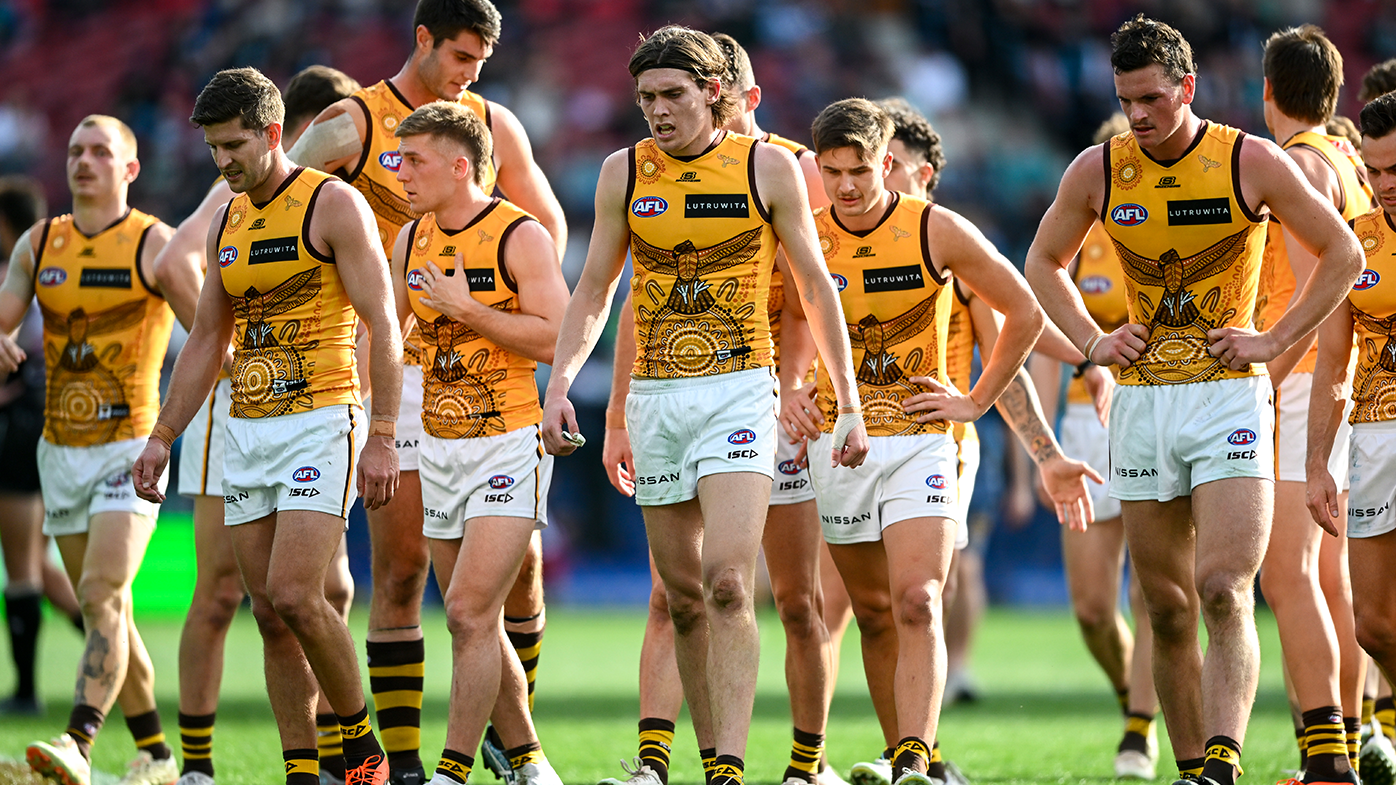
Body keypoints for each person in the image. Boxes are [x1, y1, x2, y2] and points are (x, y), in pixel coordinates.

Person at [1025, 14, 1363, 785]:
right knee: (1167, 603)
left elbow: (1343, 252)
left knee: (1222, 586)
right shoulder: (1099, 169)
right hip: (1142, 406)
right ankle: (1189, 768)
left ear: (1187, 87)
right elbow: (1042, 261)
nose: (1137, 115)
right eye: (1124, 99)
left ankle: (1222, 761)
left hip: (1228, 401)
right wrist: (1090, 341)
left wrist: (1275, 339)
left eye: (1150, 98)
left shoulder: (1250, 160)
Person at [542, 25, 870, 785]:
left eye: (673, 95)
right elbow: (597, 291)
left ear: (714, 93)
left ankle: (726, 767)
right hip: (659, 398)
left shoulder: (771, 168)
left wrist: (844, 400)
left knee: (727, 578)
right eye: (646, 97)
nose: (657, 110)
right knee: (681, 596)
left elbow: (816, 290)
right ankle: (673, 759)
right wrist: (565, 384)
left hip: (741, 391)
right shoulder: (622, 172)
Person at [798, 97, 1115, 785]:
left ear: (900, 167)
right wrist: (792, 389)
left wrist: (1007, 422)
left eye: (865, 170)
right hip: (840, 443)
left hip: (930, 441)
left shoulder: (938, 232)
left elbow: (1022, 318)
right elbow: (784, 320)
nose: (849, 186)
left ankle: (913, 754)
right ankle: (858, 758)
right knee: (853, 609)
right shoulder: (808, 233)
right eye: (833, 173)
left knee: (920, 596)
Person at [289, 3, 566, 779]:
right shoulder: (356, 123)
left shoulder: (493, 127)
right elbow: (281, 210)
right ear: (423, 41)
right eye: (462, 55)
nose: (472, 72)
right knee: (405, 568)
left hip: (488, 368)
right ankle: (406, 765)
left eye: (481, 59)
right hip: (393, 366)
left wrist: (496, 285)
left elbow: (547, 230)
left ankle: (511, 745)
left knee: (507, 582)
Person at [131, 66, 403, 785]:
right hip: (247, 429)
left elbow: (384, 321)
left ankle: (363, 749)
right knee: (270, 613)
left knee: (294, 592)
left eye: (234, 146)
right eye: (214, 149)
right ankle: (301, 772)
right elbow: (205, 342)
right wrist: (163, 434)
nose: (223, 163)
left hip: (322, 418)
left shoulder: (333, 204)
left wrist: (383, 432)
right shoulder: (228, 216)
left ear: (274, 132)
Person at [7, 114, 199, 785]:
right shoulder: (39, 243)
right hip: (59, 449)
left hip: (131, 447)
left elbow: (206, 336)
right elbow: (3, 315)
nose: (83, 161)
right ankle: (156, 753)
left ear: (130, 169)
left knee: (101, 590)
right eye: (75, 151)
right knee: (104, 610)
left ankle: (79, 742)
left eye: (100, 152)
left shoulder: (155, 245)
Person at [388, 99, 569, 785]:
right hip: (438, 444)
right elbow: (387, 329)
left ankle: (451, 772)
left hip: (508, 439)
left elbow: (555, 335)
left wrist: (466, 309)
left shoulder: (519, 235)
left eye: (415, 160)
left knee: (465, 610)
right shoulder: (412, 239)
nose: (401, 172)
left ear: (461, 165)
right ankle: (529, 758)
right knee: (478, 622)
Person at [1252, 26, 1373, 785]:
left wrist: (1266, 377)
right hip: (1351, 380)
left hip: (1307, 384)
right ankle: (1351, 748)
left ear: (1269, 94)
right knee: (1333, 579)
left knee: (1287, 575)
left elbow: (1312, 297)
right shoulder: (1349, 159)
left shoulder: (1300, 165)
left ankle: (1326, 758)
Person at [1028, 113, 1160, 781]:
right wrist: (1041, 447)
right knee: (1089, 607)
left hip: (1156, 413)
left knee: (1152, 589)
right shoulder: (1077, 239)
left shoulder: (1172, 224)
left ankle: (1139, 730)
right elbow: (1045, 342)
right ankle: (1131, 690)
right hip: (1083, 425)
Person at [0, 175, 83, 717]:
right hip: (45, 424)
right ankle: (115, 654)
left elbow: (26, 359)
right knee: (42, 566)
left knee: (24, 566)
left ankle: (27, 692)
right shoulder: (53, 269)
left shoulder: (25, 276)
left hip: (23, 425)